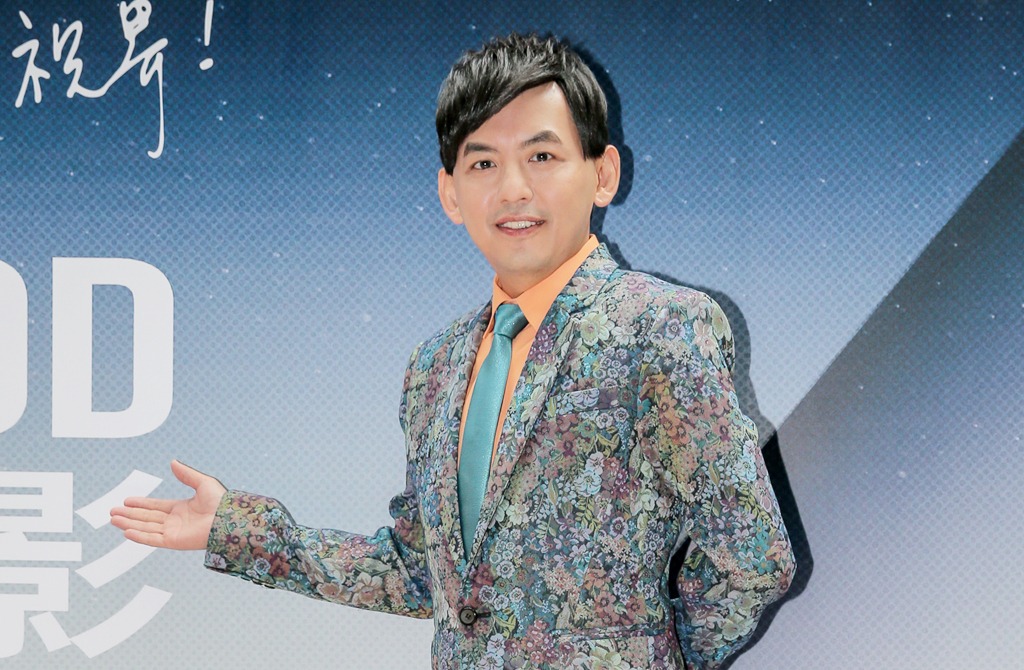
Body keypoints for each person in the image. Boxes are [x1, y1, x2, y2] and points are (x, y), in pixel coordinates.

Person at [111, 32, 794, 669]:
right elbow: (418, 572)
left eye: (543, 156)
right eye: (484, 162)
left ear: (603, 172)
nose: (513, 188)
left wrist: (645, 658)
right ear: (450, 193)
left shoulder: (660, 326)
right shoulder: (435, 368)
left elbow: (754, 558)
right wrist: (238, 531)